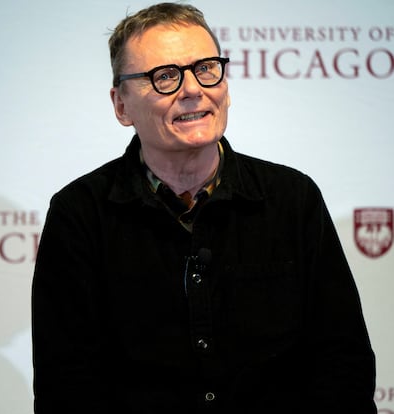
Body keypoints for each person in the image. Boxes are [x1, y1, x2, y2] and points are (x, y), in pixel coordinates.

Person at [31, 2, 377, 413]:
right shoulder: (79, 214)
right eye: (165, 76)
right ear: (121, 105)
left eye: (206, 68)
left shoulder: (293, 198)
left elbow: (342, 363)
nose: (193, 88)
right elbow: (67, 387)